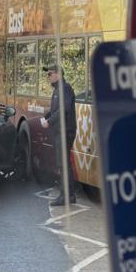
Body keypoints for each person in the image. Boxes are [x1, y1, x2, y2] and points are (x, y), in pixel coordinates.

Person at [40, 65, 78, 206]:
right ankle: (69, 195)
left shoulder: (65, 89)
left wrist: (49, 121)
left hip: (65, 130)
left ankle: (66, 196)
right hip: (60, 131)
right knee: (62, 164)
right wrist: (46, 117)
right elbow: (55, 110)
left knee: (63, 164)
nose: (48, 77)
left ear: (58, 75)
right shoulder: (57, 90)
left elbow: (64, 109)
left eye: (50, 74)